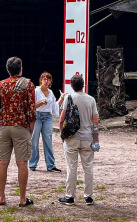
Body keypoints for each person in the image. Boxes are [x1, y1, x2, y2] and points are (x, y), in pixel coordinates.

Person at [0, 56, 36, 207]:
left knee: (2, 162)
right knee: (22, 163)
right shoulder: (28, 85)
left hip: (4, 126)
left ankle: (2, 197)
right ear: (21, 69)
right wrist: (31, 126)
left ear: (7, 70)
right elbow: (32, 109)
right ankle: (22, 199)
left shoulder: (1, 84)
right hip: (21, 126)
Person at [58, 73, 99, 206]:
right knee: (88, 167)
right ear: (83, 85)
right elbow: (95, 121)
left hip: (72, 137)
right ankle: (88, 196)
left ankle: (70, 196)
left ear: (72, 86)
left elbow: (61, 119)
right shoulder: (91, 100)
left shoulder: (68, 98)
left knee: (71, 167)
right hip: (87, 137)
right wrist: (95, 139)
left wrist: (62, 135)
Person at [29, 72, 61, 173]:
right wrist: (41, 103)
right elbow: (31, 106)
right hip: (37, 116)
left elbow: (54, 106)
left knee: (48, 140)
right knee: (34, 140)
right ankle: (32, 163)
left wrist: (61, 99)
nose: (46, 81)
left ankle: (51, 165)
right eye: (44, 79)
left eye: (48, 79)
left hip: (47, 117)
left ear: (51, 81)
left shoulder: (50, 93)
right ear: (41, 80)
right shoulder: (36, 91)